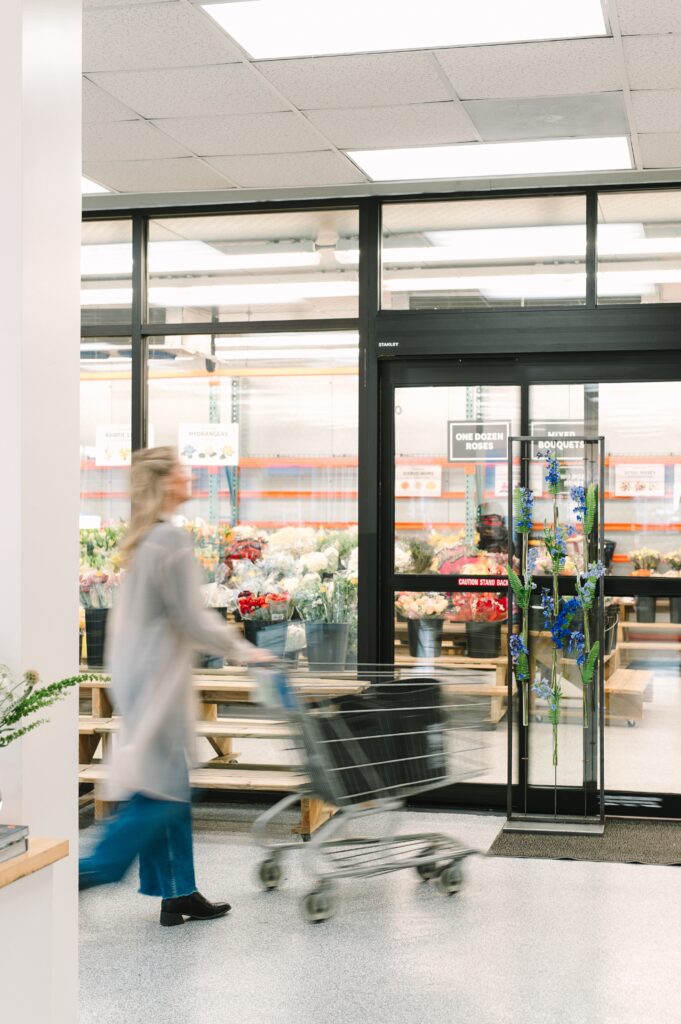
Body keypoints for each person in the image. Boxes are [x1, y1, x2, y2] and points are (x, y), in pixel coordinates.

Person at [79, 446, 272, 926]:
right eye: (183, 472)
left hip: (139, 675)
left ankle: (178, 891)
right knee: (161, 791)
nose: (190, 477)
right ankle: (89, 870)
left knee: (170, 784)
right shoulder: (172, 541)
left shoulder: (147, 540)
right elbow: (194, 618)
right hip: (158, 681)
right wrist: (247, 650)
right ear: (166, 482)